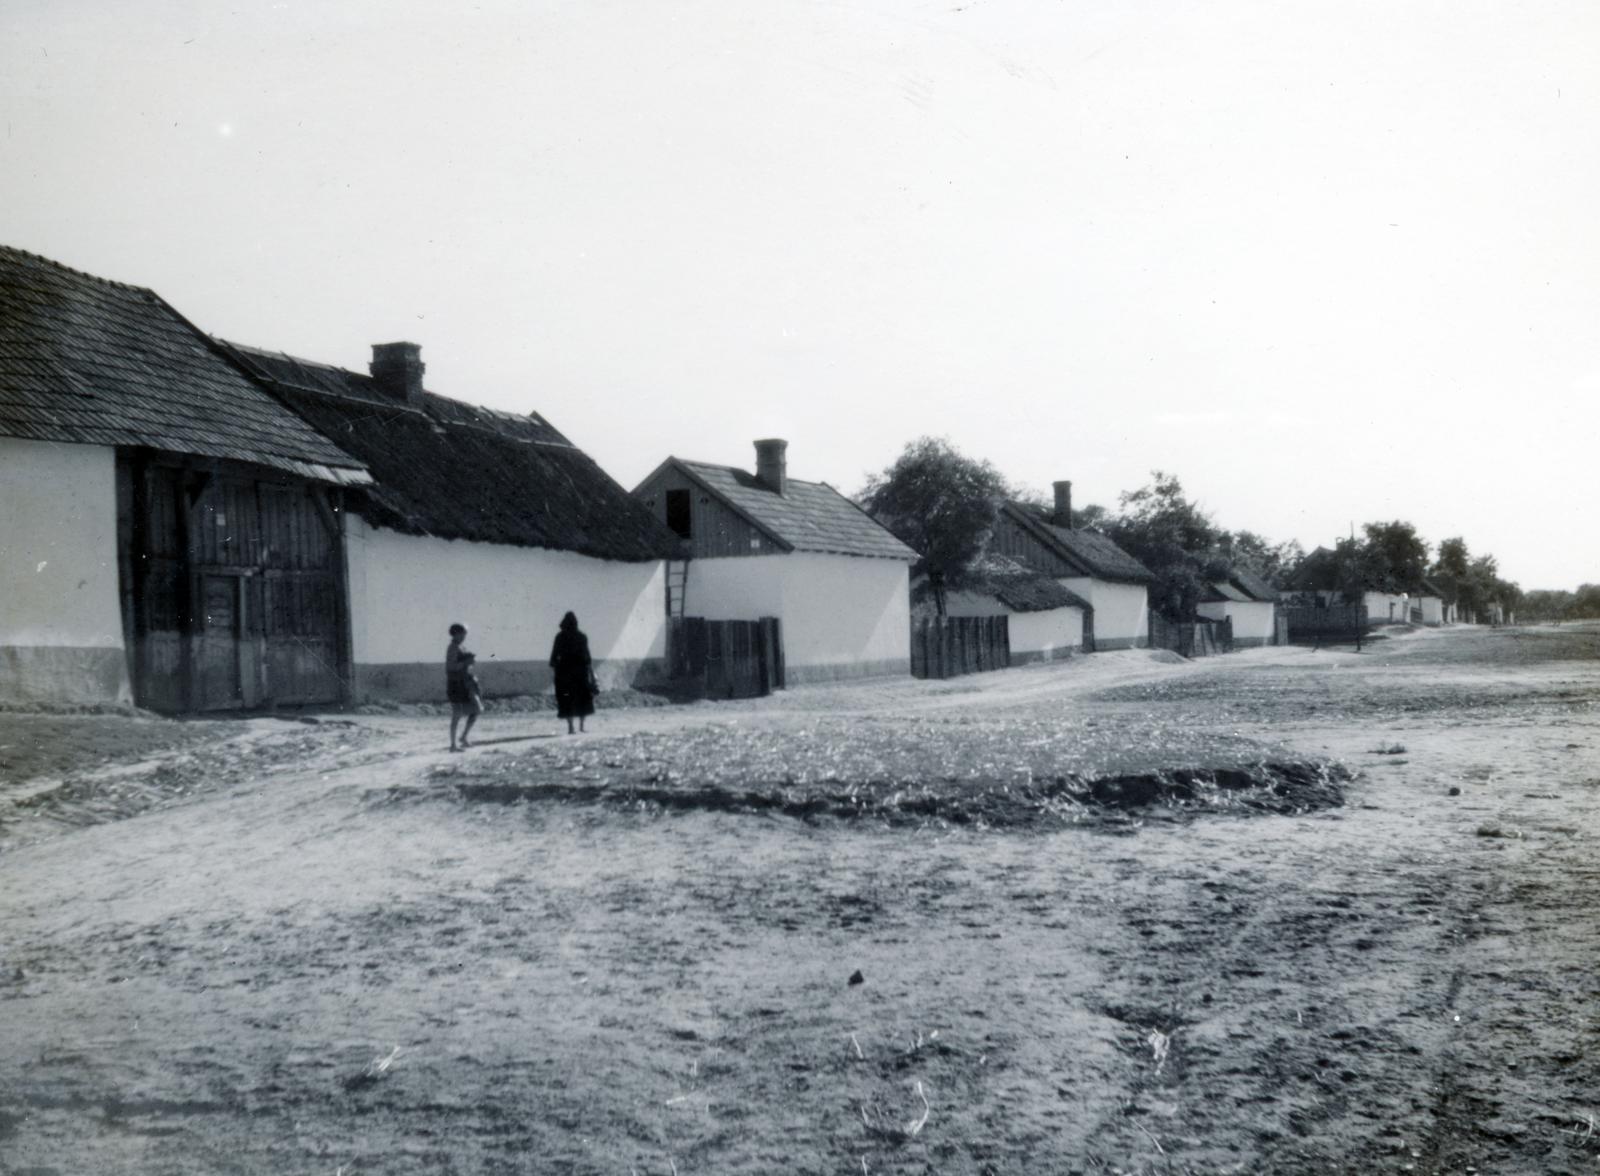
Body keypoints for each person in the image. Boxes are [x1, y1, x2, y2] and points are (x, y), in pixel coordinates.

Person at [549, 611, 596, 734]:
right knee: (583, 700)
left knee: (566, 701)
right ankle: (581, 726)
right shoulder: (582, 637)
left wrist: (556, 670)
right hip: (580, 673)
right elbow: (588, 657)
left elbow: (553, 658)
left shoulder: (559, 637)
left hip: (564, 673)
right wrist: (591, 674)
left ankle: (571, 727)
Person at [446, 623, 482, 751]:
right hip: (456, 684)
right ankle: (453, 745)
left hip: (466, 683)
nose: (464, 636)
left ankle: (463, 737)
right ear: (456, 633)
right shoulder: (453, 648)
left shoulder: (461, 647)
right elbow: (450, 667)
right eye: (462, 633)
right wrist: (465, 663)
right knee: (457, 714)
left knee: (477, 709)